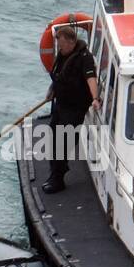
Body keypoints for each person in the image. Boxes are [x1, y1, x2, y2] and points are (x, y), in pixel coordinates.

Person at [43, 25, 99, 194]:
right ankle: (55, 173)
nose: (59, 48)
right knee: (53, 139)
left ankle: (58, 179)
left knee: (63, 143)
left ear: (71, 42)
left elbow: (90, 78)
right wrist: (51, 90)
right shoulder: (63, 54)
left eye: (61, 45)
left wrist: (95, 98)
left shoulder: (84, 58)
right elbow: (59, 75)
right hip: (61, 104)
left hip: (74, 108)